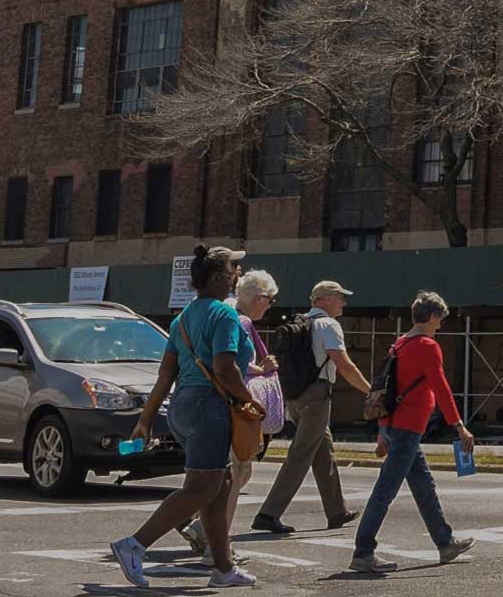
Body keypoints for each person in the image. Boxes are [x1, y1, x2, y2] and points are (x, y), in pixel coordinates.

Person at [112, 246, 261, 589]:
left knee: (218, 488)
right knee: (200, 488)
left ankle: (223, 568)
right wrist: (249, 400)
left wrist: (145, 420)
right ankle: (134, 545)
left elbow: (165, 375)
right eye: (232, 270)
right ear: (217, 278)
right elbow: (224, 367)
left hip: (183, 406)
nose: (237, 275)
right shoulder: (224, 316)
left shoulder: (182, 319)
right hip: (209, 407)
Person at [349, 291, 476, 574]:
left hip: (397, 426)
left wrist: (382, 431)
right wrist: (459, 426)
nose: (440, 325)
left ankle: (445, 543)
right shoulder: (428, 346)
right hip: (408, 428)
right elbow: (441, 389)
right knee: (384, 492)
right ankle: (363, 553)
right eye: (440, 320)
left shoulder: (400, 343)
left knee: (423, 487)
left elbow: (385, 389)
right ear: (431, 317)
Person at [253, 279, 368, 535]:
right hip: (316, 395)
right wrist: (370, 392)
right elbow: (344, 365)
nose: (343, 302)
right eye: (339, 297)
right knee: (300, 454)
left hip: (295, 396)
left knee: (323, 452)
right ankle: (268, 514)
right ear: (323, 299)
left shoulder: (300, 322)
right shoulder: (328, 324)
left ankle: (336, 511)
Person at [193, 270, 283, 550]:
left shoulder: (223, 314)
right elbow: (233, 364)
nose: (270, 305)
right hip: (234, 407)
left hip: (212, 403)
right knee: (237, 472)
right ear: (258, 298)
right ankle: (215, 543)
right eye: (270, 299)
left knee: (227, 475)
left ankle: (202, 528)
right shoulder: (241, 320)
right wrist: (263, 369)